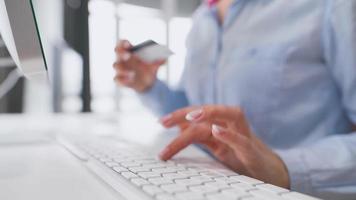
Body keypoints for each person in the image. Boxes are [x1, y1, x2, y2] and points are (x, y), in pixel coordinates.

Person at [113, 0, 356, 199]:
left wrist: (286, 168)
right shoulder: (201, 18)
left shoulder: (330, 7)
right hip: (200, 185)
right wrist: (149, 87)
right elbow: (193, 112)